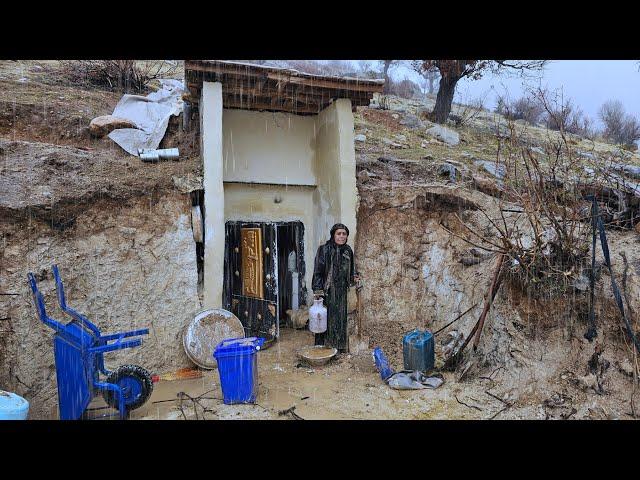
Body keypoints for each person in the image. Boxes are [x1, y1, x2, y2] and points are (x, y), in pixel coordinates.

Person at [311, 223, 360, 353]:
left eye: (344, 234)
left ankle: (338, 347)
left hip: (342, 292)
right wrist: (318, 290)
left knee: (340, 319)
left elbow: (351, 270)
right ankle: (323, 347)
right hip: (327, 291)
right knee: (325, 319)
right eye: (339, 233)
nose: (342, 236)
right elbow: (318, 271)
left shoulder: (348, 250)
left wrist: (354, 277)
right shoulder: (324, 249)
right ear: (333, 235)